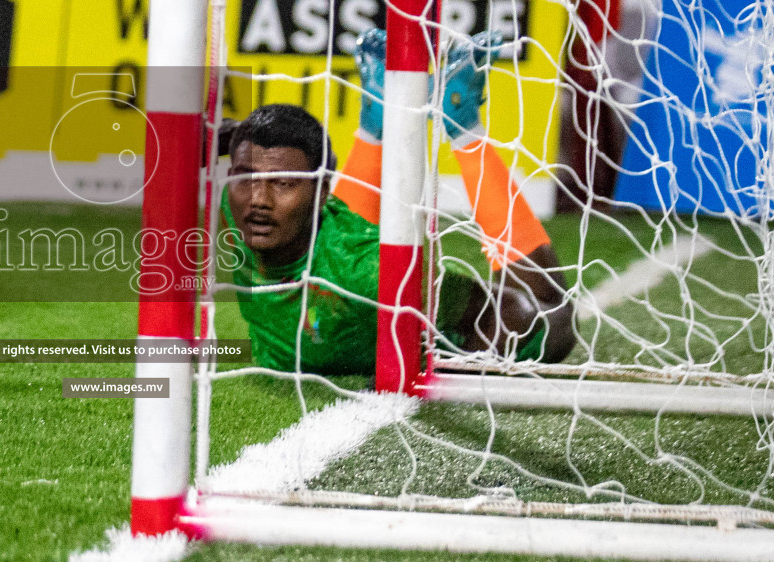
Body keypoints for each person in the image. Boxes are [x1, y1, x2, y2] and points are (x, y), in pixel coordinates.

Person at [221, 32, 576, 376]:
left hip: (380, 287)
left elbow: (515, 320)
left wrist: (450, 355)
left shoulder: (374, 275)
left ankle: (462, 123)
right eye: (245, 177)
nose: (258, 200)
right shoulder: (236, 203)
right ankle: (375, 122)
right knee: (327, 242)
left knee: (555, 316)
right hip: (333, 249)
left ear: (322, 192)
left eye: (283, 183)